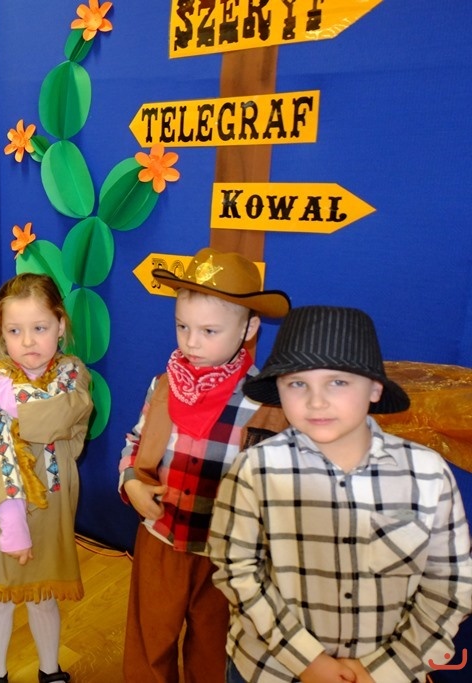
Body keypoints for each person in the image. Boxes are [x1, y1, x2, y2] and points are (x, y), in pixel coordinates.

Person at [208, 305, 472, 683]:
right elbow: (237, 569)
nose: (316, 401)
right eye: (297, 383)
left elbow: (450, 582)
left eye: (338, 382)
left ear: (375, 388)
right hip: (269, 669)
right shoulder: (253, 470)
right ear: (278, 390)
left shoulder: (427, 474)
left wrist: (384, 668)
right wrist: (307, 661)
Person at [117, 247, 291, 683]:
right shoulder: (162, 385)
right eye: (182, 326)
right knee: (149, 642)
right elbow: (135, 442)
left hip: (225, 556)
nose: (191, 342)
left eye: (209, 330)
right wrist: (131, 481)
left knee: (214, 649)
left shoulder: (267, 404)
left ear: (249, 328)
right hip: (160, 538)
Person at [0, 273, 93, 683]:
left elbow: (61, 415)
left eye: (40, 328)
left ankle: (50, 670)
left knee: (44, 596)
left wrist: (3, 395)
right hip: (2, 510)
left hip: (52, 505)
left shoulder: (72, 375)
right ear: (1, 334)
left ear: (60, 325)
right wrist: (11, 517)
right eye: (15, 331)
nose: (28, 341)